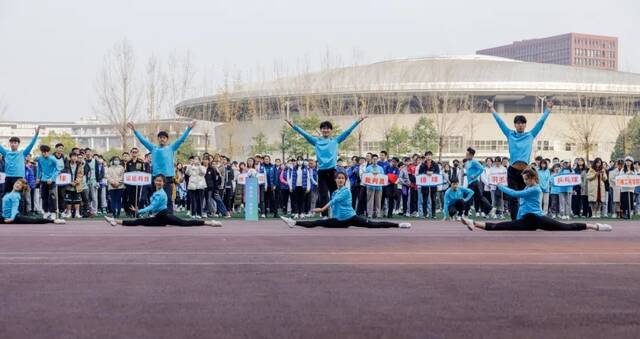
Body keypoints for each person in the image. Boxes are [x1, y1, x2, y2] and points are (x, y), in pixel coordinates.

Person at [461, 168, 611, 232]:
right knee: (500, 226)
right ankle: (472, 222)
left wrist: (501, 186)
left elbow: (515, 194)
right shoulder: (528, 187)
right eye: (524, 179)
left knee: (566, 227)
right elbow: (522, 204)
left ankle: (595, 226)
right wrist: (519, 216)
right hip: (527, 220)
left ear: (533, 178)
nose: (525, 181)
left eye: (526, 179)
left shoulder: (536, 189)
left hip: (536, 218)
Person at [285, 114, 367, 217]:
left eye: (328, 129)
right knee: (323, 195)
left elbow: (348, 132)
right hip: (322, 172)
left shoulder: (335, 140)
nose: (325, 130)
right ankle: (324, 216)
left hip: (333, 171)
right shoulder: (316, 141)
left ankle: (338, 214)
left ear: (331, 130)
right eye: (323, 129)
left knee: (336, 194)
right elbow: (304, 134)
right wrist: (293, 125)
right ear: (321, 130)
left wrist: (358, 121)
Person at [486, 99, 553, 220]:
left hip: (525, 172)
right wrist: (492, 109)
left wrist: (548, 109)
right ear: (515, 125)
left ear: (525, 125)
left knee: (525, 196)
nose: (520, 125)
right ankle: (514, 220)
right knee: (513, 198)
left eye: (522, 123)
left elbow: (541, 122)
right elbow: (500, 122)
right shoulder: (509, 134)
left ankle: (524, 218)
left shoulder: (530, 135)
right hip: (512, 171)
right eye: (518, 123)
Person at [279, 172, 411, 229]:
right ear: (335, 180)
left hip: (351, 218)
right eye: (338, 178)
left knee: (373, 224)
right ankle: (293, 222)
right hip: (339, 221)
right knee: (318, 222)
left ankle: (398, 225)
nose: (340, 179)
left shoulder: (346, 191)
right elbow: (335, 204)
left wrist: (322, 209)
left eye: (343, 178)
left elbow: (334, 202)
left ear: (345, 180)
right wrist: (329, 216)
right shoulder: (335, 191)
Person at [128, 120, 196, 213]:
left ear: (167, 139)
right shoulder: (153, 148)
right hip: (156, 177)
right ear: (158, 139)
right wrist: (134, 130)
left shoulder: (171, 148)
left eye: (164, 137)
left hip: (168, 177)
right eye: (160, 137)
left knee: (168, 199)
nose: (162, 139)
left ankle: (170, 216)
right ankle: (156, 215)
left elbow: (181, 140)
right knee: (156, 198)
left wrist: (189, 128)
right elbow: (143, 140)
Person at [104, 175, 221, 227]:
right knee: (140, 222)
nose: (158, 182)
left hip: (164, 216)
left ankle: (209, 222)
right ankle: (114, 221)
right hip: (159, 218)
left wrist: (139, 210)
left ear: (164, 183)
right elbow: (152, 207)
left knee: (185, 223)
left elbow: (151, 206)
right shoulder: (156, 191)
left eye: (160, 181)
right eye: (157, 180)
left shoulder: (160, 193)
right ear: (154, 181)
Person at [0, 126, 40, 195]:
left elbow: (31, 145)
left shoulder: (22, 153)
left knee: (19, 197)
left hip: (19, 178)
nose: (13, 144)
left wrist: (36, 134)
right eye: (11, 143)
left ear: (18, 144)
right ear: (10, 144)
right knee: (6, 196)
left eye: (15, 143)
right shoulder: (6, 153)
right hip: (8, 177)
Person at [464, 147, 495, 218]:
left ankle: (465, 214)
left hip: (474, 183)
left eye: (467, 154)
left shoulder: (474, 162)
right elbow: (470, 171)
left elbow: (482, 168)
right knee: (479, 197)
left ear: (471, 155)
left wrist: (474, 175)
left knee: (470, 197)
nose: (466, 155)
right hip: (471, 183)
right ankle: (491, 208)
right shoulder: (468, 162)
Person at [36, 145, 61, 219]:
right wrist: (38, 177)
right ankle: (46, 212)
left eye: (46, 152)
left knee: (52, 196)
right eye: (43, 152)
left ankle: (53, 212)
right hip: (43, 180)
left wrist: (52, 178)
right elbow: (39, 169)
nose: (44, 154)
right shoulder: (40, 159)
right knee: (44, 196)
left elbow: (58, 170)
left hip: (52, 181)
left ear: (48, 152)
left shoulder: (53, 159)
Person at [418, 151, 440, 219]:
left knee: (433, 199)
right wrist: (426, 173)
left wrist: (432, 173)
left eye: (430, 155)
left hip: (433, 185)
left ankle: (433, 214)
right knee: (425, 200)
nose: (428, 156)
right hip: (425, 185)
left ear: (432, 156)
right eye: (427, 155)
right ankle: (425, 213)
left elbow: (438, 173)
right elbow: (420, 173)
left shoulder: (435, 164)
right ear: (425, 157)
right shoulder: (422, 165)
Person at [64, 152, 84, 218]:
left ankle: (77, 213)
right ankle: (69, 213)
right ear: (70, 157)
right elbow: (64, 173)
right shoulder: (66, 164)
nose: (74, 158)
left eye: (75, 156)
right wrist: (69, 182)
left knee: (77, 200)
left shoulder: (79, 165)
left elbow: (81, 174)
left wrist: (76, 181)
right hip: (68, 185)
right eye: (73, 156)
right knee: (68, 200)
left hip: (77, 185)